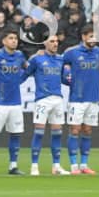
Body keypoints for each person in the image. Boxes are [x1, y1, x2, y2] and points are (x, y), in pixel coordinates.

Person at [0, 30, 28, 177]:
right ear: (4, 41)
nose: (14, 41)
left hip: (15, 102)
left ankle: (13, 166)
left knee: (16, 134)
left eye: (15, 38)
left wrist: (19, 80)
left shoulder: (20, 55)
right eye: (11, 38)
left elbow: (27, 68)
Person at [62, 28, 99, 175]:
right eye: (91, 36)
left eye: (95, 37)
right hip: (77, 98)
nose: (93, 39)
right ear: (83, 37)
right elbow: (61, 65)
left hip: (92, 98)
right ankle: (74, 165)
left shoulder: (98, 51)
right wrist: (67, 78)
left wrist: (98, 80)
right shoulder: (72, 52)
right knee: (75, 130)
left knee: (88, 130)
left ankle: (84, 165)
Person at [27, 34, 67, 177]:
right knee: (39, 133)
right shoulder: (37, 59)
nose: (55, 44)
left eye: (57, 41)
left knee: (57, 133)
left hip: (58, 99)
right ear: (44, 43)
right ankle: (34, 166)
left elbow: (64, 79)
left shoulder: (61, 59)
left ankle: (56, 166)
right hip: (42, 100)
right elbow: (25, 73)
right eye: (52, 41)